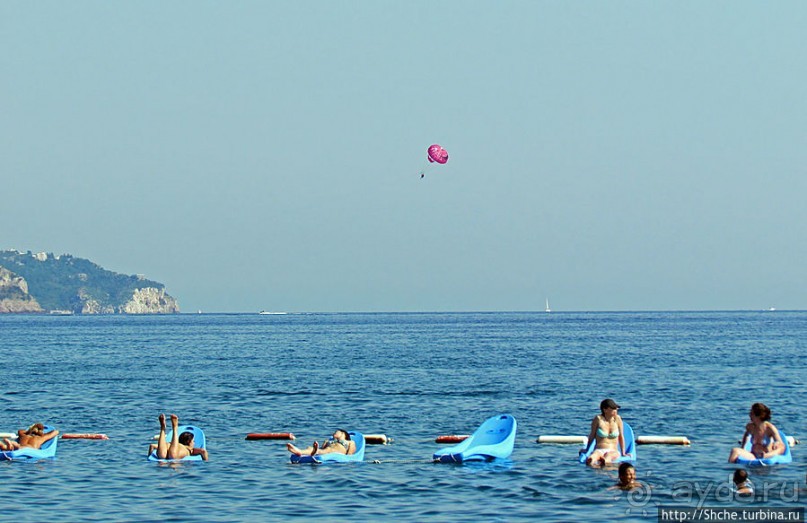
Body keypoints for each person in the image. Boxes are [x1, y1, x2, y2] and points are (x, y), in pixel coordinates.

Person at [584, 398, 629, 467]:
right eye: (613, 409)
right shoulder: (598, 419)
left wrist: (623, 453)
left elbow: (621, 436)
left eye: (616, 409)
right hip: (599, 449)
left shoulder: (618, 419)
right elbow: (592, 435)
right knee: (594, 456)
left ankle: (604, 461)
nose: (616, 410)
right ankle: (591, 461)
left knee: (609, 456)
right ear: (605, 410)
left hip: (613, 450)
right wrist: (587, 449)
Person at [287, 429, 355, 457]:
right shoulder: (328, 441)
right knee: (311, 448)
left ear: (343, 433)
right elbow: (322, 449)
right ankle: (301, 452)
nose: (334, 433)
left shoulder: (350, 442)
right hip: (326, 451)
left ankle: (300, 451)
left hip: (336, 452)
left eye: (336, 432)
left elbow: (350, 455)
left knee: (325, 450)